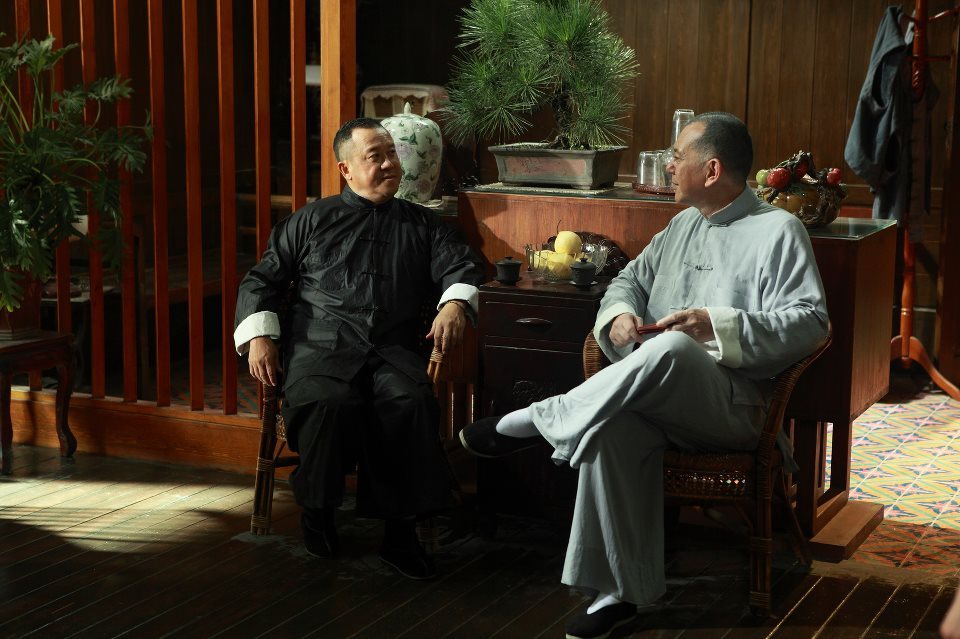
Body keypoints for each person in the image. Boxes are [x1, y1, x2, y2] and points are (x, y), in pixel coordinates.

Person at [459, 112, 829, 639]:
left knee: (677, 345)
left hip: (737, 409)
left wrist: (716, 325)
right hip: (657, 400)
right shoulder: (681, 225)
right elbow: (626, 281)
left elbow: (812, 323)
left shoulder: (779, 230)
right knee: (610, 431)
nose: (669, 164)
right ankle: (618, 594)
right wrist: (618, 317)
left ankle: (537, 419)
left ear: (712, 169)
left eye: (678, 156)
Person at [235, 117, 484, 580]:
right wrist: (260, 336)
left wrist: (453, 305)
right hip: (319, 349)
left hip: (391, 351)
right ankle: (318, 511)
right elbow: (261, 279)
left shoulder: (423, 224)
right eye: (376, 157)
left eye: (392, 154)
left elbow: (462, 266)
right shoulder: (309, 220)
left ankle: (400, 533)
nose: (391, 164)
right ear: (345, 169)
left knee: (409, 402)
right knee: (329, 402)